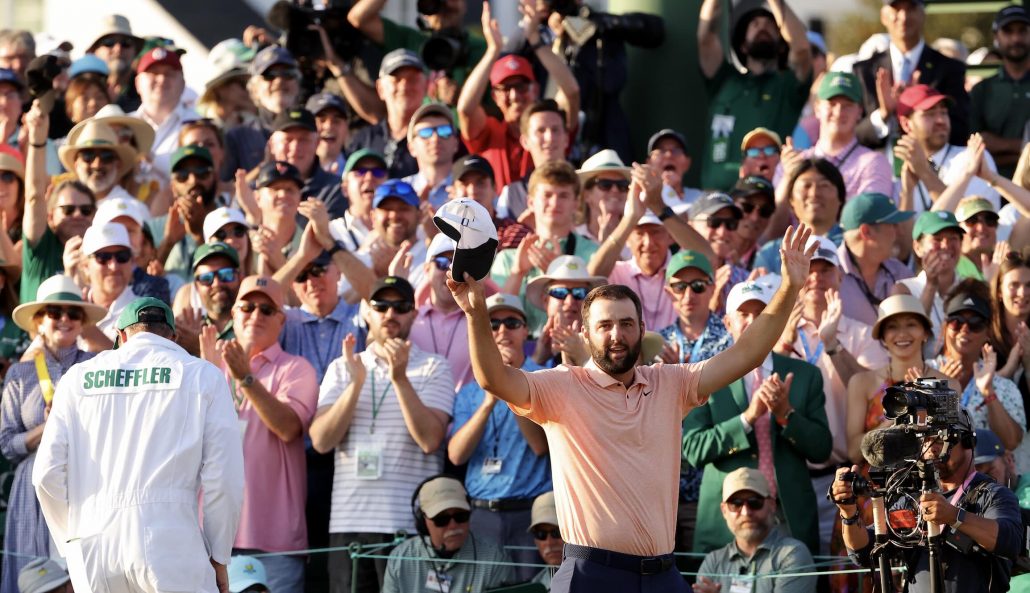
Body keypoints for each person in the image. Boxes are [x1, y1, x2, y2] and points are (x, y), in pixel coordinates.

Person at [446, 222, 817, 592]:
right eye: (604, 325)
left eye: (626, 324)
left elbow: (748, 353)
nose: (616, 334)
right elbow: (494, 379)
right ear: (586, 333)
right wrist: (476, 312)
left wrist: (790, 286)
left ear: (641, 328)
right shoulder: (560, 385)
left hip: (662, 576)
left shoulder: (672, 383)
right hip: (591, 575)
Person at [33, 296, 245, 593]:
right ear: (172, 336)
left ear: (120, 336)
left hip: (93, 544)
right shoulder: (204, 375)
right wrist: (219, 555)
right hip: (171, 541)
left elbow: (46, 474)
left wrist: (71, 540)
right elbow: (224, 480)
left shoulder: (76, 378)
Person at [310, 276, 455, 593]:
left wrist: (400, 379)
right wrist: (356, 384)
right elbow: (321, 440)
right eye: (381, 306)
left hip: (409, 527)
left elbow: (431, 440)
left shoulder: (435, 367)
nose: (390, 314)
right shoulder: (343, 367)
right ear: (366, 312)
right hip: (348, 525)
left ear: (414, 315)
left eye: (401, 306)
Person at [683, 278, 831, 556]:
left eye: (761, 314)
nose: (753, 321)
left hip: (788, 518)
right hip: (727, 521)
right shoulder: (703, 375)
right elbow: (692, 449)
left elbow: (821, 449)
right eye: (744, 313)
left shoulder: (804, 375)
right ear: (727, 323)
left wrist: (786, 414)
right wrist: (747, 419)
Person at [202, 276, 318, 593]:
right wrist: (205, 381)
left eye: (267, 309)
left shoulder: (296, 368)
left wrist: (246, 378)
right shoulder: (208, 368)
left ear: (281, 320)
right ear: (233, 314)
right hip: (209, 537)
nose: (256, 315)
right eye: (248, 307)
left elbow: (288, 427)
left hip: (274, 541)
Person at [832, 409, 1023, 593]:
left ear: (967, 442)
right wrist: (849, 512)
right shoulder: (911, 497)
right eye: (924, 440)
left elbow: (1010, 540)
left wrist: (953, 516)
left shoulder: (992, 493)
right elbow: (864, 551)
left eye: (940, 440)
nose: (931, 449)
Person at [0, 275, 103, 593]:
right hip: (32, 486)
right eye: (54, 312)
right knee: (31, 578)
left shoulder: (97, 367)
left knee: (81, 576)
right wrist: (47, 428)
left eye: (73, 314)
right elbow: (6, 444)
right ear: (39, 322)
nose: (64, 320)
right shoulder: (19, 374)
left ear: (82, 322)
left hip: (84, 479)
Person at [448, 293, 551, 581]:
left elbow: (540, 446)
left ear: (525, 330)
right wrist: (487, 404)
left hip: (529, 513)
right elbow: (456, 455)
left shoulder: (545, 378)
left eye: (511, 322)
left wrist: (510, 384)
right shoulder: (469, 390)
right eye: (492, 324)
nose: (502, 331)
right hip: (481, 512)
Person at [457, 2, 579, 189]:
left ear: (535, 90)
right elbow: (465, 108)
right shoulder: (490, 132)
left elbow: (572, 92)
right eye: (505, 89)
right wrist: (493, 51)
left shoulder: (550, 130)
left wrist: (535, 40)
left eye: (521, 87)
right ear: (495, 97)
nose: (514, 96)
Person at [698, 0, 812, 191]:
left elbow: (801, 49)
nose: (763, 27)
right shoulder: (724, 80)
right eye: (755, 25)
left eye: (770, 26)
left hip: (764, 202)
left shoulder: (787, 86)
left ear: (782, 45)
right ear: (742, 46)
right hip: (716, 205)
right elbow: (706, 38)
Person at [852, 0, 970, 150]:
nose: (904, 16)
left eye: (911, 8)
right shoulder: (864, 71)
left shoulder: (949, 69)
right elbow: (854, 135)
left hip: (934, 167)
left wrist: (918, 111)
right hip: (877, 168)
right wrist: (884, 113)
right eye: (896, 9)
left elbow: (960, 129)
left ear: (922, 14)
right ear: (884, 16)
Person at [932, 281, 1026, 452]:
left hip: (987, 477)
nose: (965, 329)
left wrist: (988, 392)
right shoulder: (923, 374)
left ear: (988, 332)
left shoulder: (1002, 387)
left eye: (975, 323)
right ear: (945, 327)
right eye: (956, 321)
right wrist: (938, 394)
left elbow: (1011, 442)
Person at [381, 476, 515, 593]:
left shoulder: (495, 558)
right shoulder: (400, 558)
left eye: (460, 516)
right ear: (423, 521)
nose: (453, 525)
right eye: (441, 519)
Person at [693, 468, 817, 593]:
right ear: (724, 510)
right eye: (736, 504)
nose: (746, 512)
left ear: (772, 505)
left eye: (755, 502)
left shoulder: (792, 555)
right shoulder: (713, 561)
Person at [777, 72, 893, 199]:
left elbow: (870, 214)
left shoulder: (873, 163)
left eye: (847, 106)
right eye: (831, 104)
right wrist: (789, 178)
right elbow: (773, 216)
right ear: (817, 108)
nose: (838, 112)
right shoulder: (794, 161)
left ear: (859, 111)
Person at [896, 84, 1001, 213]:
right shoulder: (895, 167)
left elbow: (972, 218)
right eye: (929, 114)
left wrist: (924, 173)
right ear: (906, 124)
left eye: (944, 112)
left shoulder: (972, 157)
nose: (940, 120)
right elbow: (897, 231)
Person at [345, 49, 426, 179]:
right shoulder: (363, 140)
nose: (404, 86)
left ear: (426, 85)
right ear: (380, 88)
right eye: (397, 79)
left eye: (412, 79)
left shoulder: (440, 139)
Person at [222, 46, 301, 179]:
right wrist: (264, 168)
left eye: (288, 73)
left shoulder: (316, 129)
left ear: (298, 84)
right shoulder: (237, 137)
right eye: (269, 75)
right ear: (255, 89)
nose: (279, 81)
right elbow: (225, 191)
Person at [837, 192, 915, 325]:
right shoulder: (825, 274)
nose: (900, 233)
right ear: (866, 231)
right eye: (893, 225)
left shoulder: (902, 273)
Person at [757, 158, 846, 274]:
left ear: (841, 198)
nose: (814, 194)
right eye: (806, 186)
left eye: (824, 185)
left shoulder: (855, 247)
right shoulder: (771, 254)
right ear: (791, 200)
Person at [971, 5, 1030, 178]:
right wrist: (1024, 146)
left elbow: (989, 145)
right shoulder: (982, 90)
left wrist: (1000, 146)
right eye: (1008, 31)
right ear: (996, 36)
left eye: (1022, 31)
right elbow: (978, 144)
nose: (1016, 38)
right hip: (994, 184)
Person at [495, 99, 571, 223]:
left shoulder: (585, 186)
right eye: (541, 131)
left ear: (566, 138)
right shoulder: (512, 195)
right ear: (525, 141)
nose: (549, 138)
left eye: (555, 130)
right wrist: (520, 230)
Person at [527, 256, 606, 367]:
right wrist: (538, 359)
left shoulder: (605, 346)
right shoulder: (524, 349)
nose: (570, 301)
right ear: (545, 301)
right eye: (560, 292)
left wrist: (582, 358)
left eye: (580, 293)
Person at [131, 46, 195, 175]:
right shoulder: (122, 124)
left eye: (169, 74)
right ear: (137, 83)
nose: (162, 79)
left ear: (183, 84)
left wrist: (154, 160)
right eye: (153, 73)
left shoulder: (199, 126)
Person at [172, 242, 241, 355]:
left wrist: (200, 350)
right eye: (206, 278)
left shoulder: (253, 322)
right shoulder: (187, 333)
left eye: (226, 274)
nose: (217, 283)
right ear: (196, 286)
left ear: (240, 277)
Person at [402, 102, 460, 210]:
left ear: (456, 143)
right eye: (425, 133)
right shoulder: (400, 191)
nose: (435, 138)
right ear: (411, 148)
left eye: (444, 131)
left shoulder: (470, 190)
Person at [85, 14, 144, 112]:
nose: (118, 49)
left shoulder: (149, 90)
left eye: (126, 43)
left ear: (135, 51)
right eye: (109, 42)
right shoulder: (81, 90)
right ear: (94, 51)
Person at [647, 128, 702, 207]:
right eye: (661, 151)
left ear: (687, 163)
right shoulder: (640, 199)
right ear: (649, 163)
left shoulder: (702, 199)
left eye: (677, 151)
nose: (669, 155)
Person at [731, 176, 776, 270]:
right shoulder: (707, 250)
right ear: (730, 205)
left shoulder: (770, 262)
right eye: (746, 207)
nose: (754, 218)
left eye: (765, 211)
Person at [306, 92, 350, 175]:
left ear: (346, 128)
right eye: (321, 120)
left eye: (336, 121)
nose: (328, 126)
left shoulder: (361, 171)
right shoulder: (291, 172)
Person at [528, 491, 564, 590]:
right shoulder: (534, 586)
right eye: (541, 534)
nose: (549, 542)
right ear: (536, 541)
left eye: (557, 532)